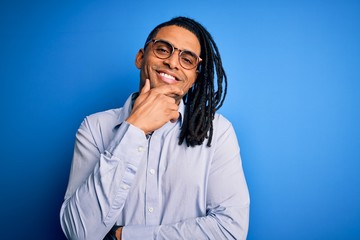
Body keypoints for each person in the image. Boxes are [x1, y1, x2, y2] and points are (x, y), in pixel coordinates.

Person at [60, 16, 250, 240]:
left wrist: (124, 237)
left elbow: (230, 231)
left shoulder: (217, 132)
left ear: (195, 76)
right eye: (162, 49)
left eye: (187, 59)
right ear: (141, 57)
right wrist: (135, 129)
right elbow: (79, 232)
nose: (173, 62)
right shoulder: (94, 127)